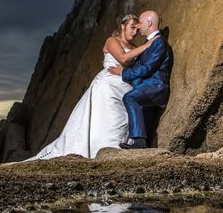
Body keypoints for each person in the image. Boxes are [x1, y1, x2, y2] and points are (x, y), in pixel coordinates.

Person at [26, 14, 158, 160]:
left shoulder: (134, 47)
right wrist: (146, 45)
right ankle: (101, 150)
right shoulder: (112, 40)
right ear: (123, 26)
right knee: (106, 119)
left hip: (126, 86)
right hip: (108, 86)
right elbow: (123, 58)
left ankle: (119, 149)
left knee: (122, 120)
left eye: (136, 29)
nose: (134, 32)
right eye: (132, 27)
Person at [109, 10, 172, 149]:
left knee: (130, 98)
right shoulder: (148, 43)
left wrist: (123, 72)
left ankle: (138, 141)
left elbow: (147, 68)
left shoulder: (159, 42)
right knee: (145, 115)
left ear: (149, 23)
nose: (137, 27)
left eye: (140, 23)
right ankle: (142, 144)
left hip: (156, 87)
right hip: (146, 86)